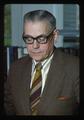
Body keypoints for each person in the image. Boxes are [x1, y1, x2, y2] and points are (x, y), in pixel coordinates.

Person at [4, 10, 79, 115]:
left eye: (41, 38)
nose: (35, 46)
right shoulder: (15, 68)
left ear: (55, 36)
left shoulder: (76, 68)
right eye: (29, 38)